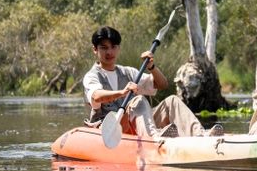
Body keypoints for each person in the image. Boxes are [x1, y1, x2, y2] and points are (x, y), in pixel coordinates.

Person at [82, 26, 222, 138]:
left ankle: (201, 134)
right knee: (139, 101)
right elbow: (96, 96)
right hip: (110, 128)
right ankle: (154, 138)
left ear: (118, 48)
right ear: (95, 49)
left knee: (172, 101)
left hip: (136, 124)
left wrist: (152, 67)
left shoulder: (127, 72)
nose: (109, 52)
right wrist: (122, 92)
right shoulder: (92, 75)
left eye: (113, 47)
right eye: (104, 47)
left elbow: (161, 85)